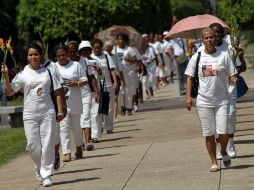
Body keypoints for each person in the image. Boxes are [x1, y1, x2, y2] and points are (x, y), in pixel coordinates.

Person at [1, 42, 66, 186]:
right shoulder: (23, 74)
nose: (33, 57)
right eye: (31, 54)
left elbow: (57, 92)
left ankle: (47, 174)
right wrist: (5, 76)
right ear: (27, 57)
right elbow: (9, 92)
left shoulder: (49, 71)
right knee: (33, 146)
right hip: (30, 114)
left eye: (36, 54)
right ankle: (39, 166)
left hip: (47, 112)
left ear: (41, 56)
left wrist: (60, 110)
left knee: (48, 143)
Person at [185, 28, 238, 172]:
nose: (209, 40)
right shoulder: (198, 56)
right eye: (206, 38)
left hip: (222, 99)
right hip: (204, 101)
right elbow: (189, 77)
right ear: (203, 40)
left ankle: (224, 151)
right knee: (209, 133)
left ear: (215, 38)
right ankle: (214, 161)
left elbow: (231, 74)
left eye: (211, 37)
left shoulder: (224, 55)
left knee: (223, 131)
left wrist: (234, 79)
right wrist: (188, 97)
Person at [209, 23, 246, 159]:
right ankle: (220, 147)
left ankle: (230, 143)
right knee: (217, 118)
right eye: (214, 33)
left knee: (230, 114)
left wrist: (236, 63)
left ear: (223, 34)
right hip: (213, 89)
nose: (217, 36)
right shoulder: (205, 49)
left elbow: (239, 67)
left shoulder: (229, 48)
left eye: (219, 33)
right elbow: (204, 70)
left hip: (230, 87)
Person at [54, 43, 88, 162]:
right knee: (64, 127)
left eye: (63, 55)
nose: (61, 58)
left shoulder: (76, 65)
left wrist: (77, 84)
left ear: (68, 54)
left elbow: (85, 80)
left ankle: (79, 147)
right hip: (61, 103)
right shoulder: (53, 67)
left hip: (75, 101)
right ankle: (66, 153)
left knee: (76, 128)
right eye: (59, 56)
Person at [67, 41, 99, 150]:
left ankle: (88, 141)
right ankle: (79, 144)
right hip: (72, 96)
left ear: (78, 51)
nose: (72, 54)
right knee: (77, 120)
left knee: (85, 116)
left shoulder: (84, 61)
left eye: (74, 51)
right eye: (69, 52)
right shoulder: (64, 63)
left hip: (85, 93)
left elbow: (91, 77)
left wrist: (96, 92)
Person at [91, 38, 118, 134]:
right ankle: (100, 126)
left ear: (102, 48)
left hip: (107, 84)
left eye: (99, 48)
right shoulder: (90, 58)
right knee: (98, 107)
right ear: (92, 48)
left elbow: (112, 69)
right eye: (95, 48)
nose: (97, 50)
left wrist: (115, 81)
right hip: (96, 86)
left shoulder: (106, 56)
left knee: (109, 107)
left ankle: (109, 126)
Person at [78, 41, 101, 143]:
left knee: (94, 114)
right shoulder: (77, 62)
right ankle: (86, 138)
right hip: (83, 92)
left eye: (87, 50)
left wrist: (98, 70)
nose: (85, 52)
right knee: (84, 115)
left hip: (94, 90)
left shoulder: (95, 61)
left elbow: (99, 76)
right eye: (83, 50)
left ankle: (94, 136)